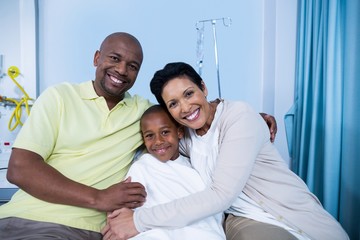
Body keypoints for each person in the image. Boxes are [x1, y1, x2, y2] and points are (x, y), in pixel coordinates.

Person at [0, 33, 276, 239]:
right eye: (114, 59)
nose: (122, 70)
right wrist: (100, 198)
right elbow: (20, 169)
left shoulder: (141, 113)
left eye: (132, 66)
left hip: (87, 230)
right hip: (24, 218)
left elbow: (185, 113)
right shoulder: (59, 97)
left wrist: (243, 117)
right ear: (97, 58)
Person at [103, 62, 349, 240]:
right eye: (174, 104)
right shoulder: (187, 136)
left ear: (204, 87)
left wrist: (138, 221)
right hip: (242, 221)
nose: (186, 107)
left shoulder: (239, 117)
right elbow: (161, 144)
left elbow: (220, 195)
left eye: (189, 94)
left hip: (290, 216)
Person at [103, 105, 225, 240]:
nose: (158, 141)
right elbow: (125, 209)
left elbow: (211, 206)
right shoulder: (143, 166)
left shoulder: (196, 166)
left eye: (165, 132)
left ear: (179, 132)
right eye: (150, 136)